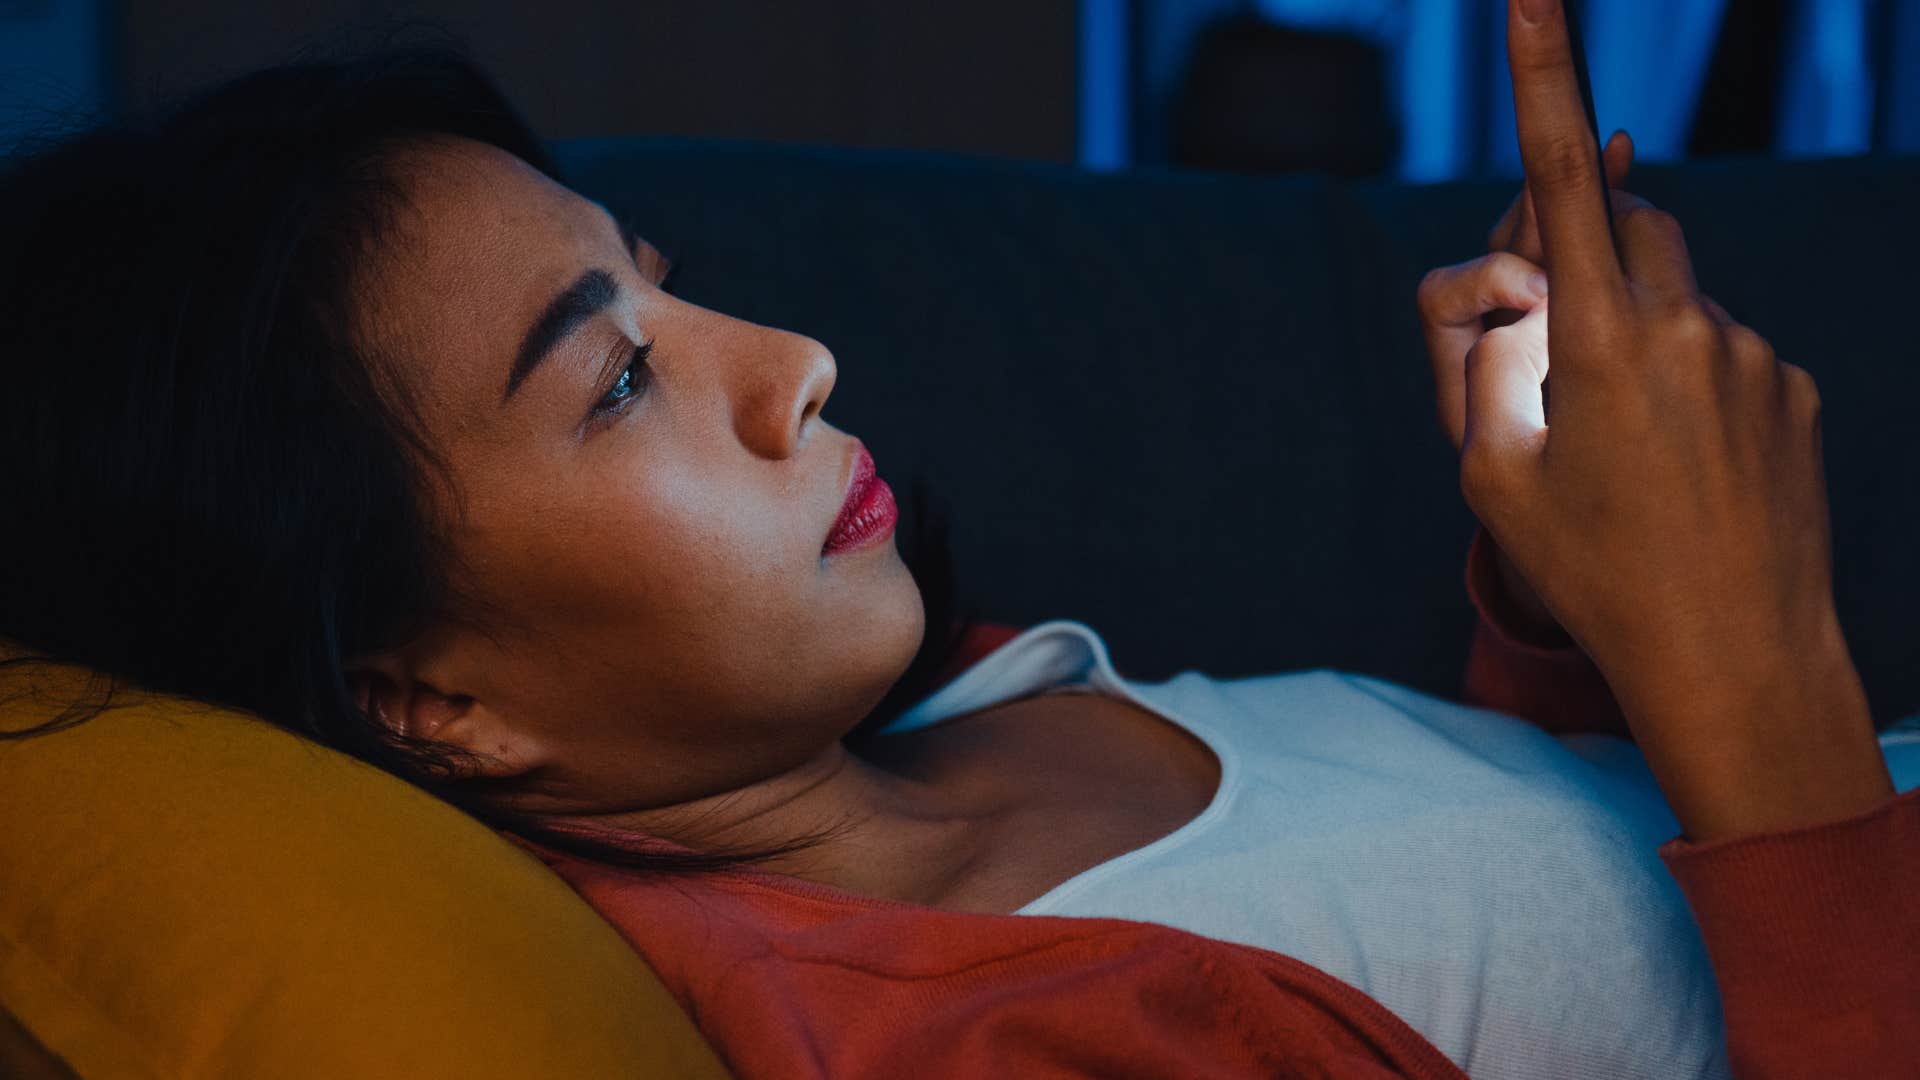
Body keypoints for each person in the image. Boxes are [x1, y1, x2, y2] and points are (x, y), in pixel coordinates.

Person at [1, 0, 1913, 1075]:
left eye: (665, 300)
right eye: (613, 385)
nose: (800, 364)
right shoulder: (988, 1048)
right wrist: (1753, 672)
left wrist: (1582, 585)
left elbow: (1532, 915)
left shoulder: (955, 700)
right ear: (427, 704)